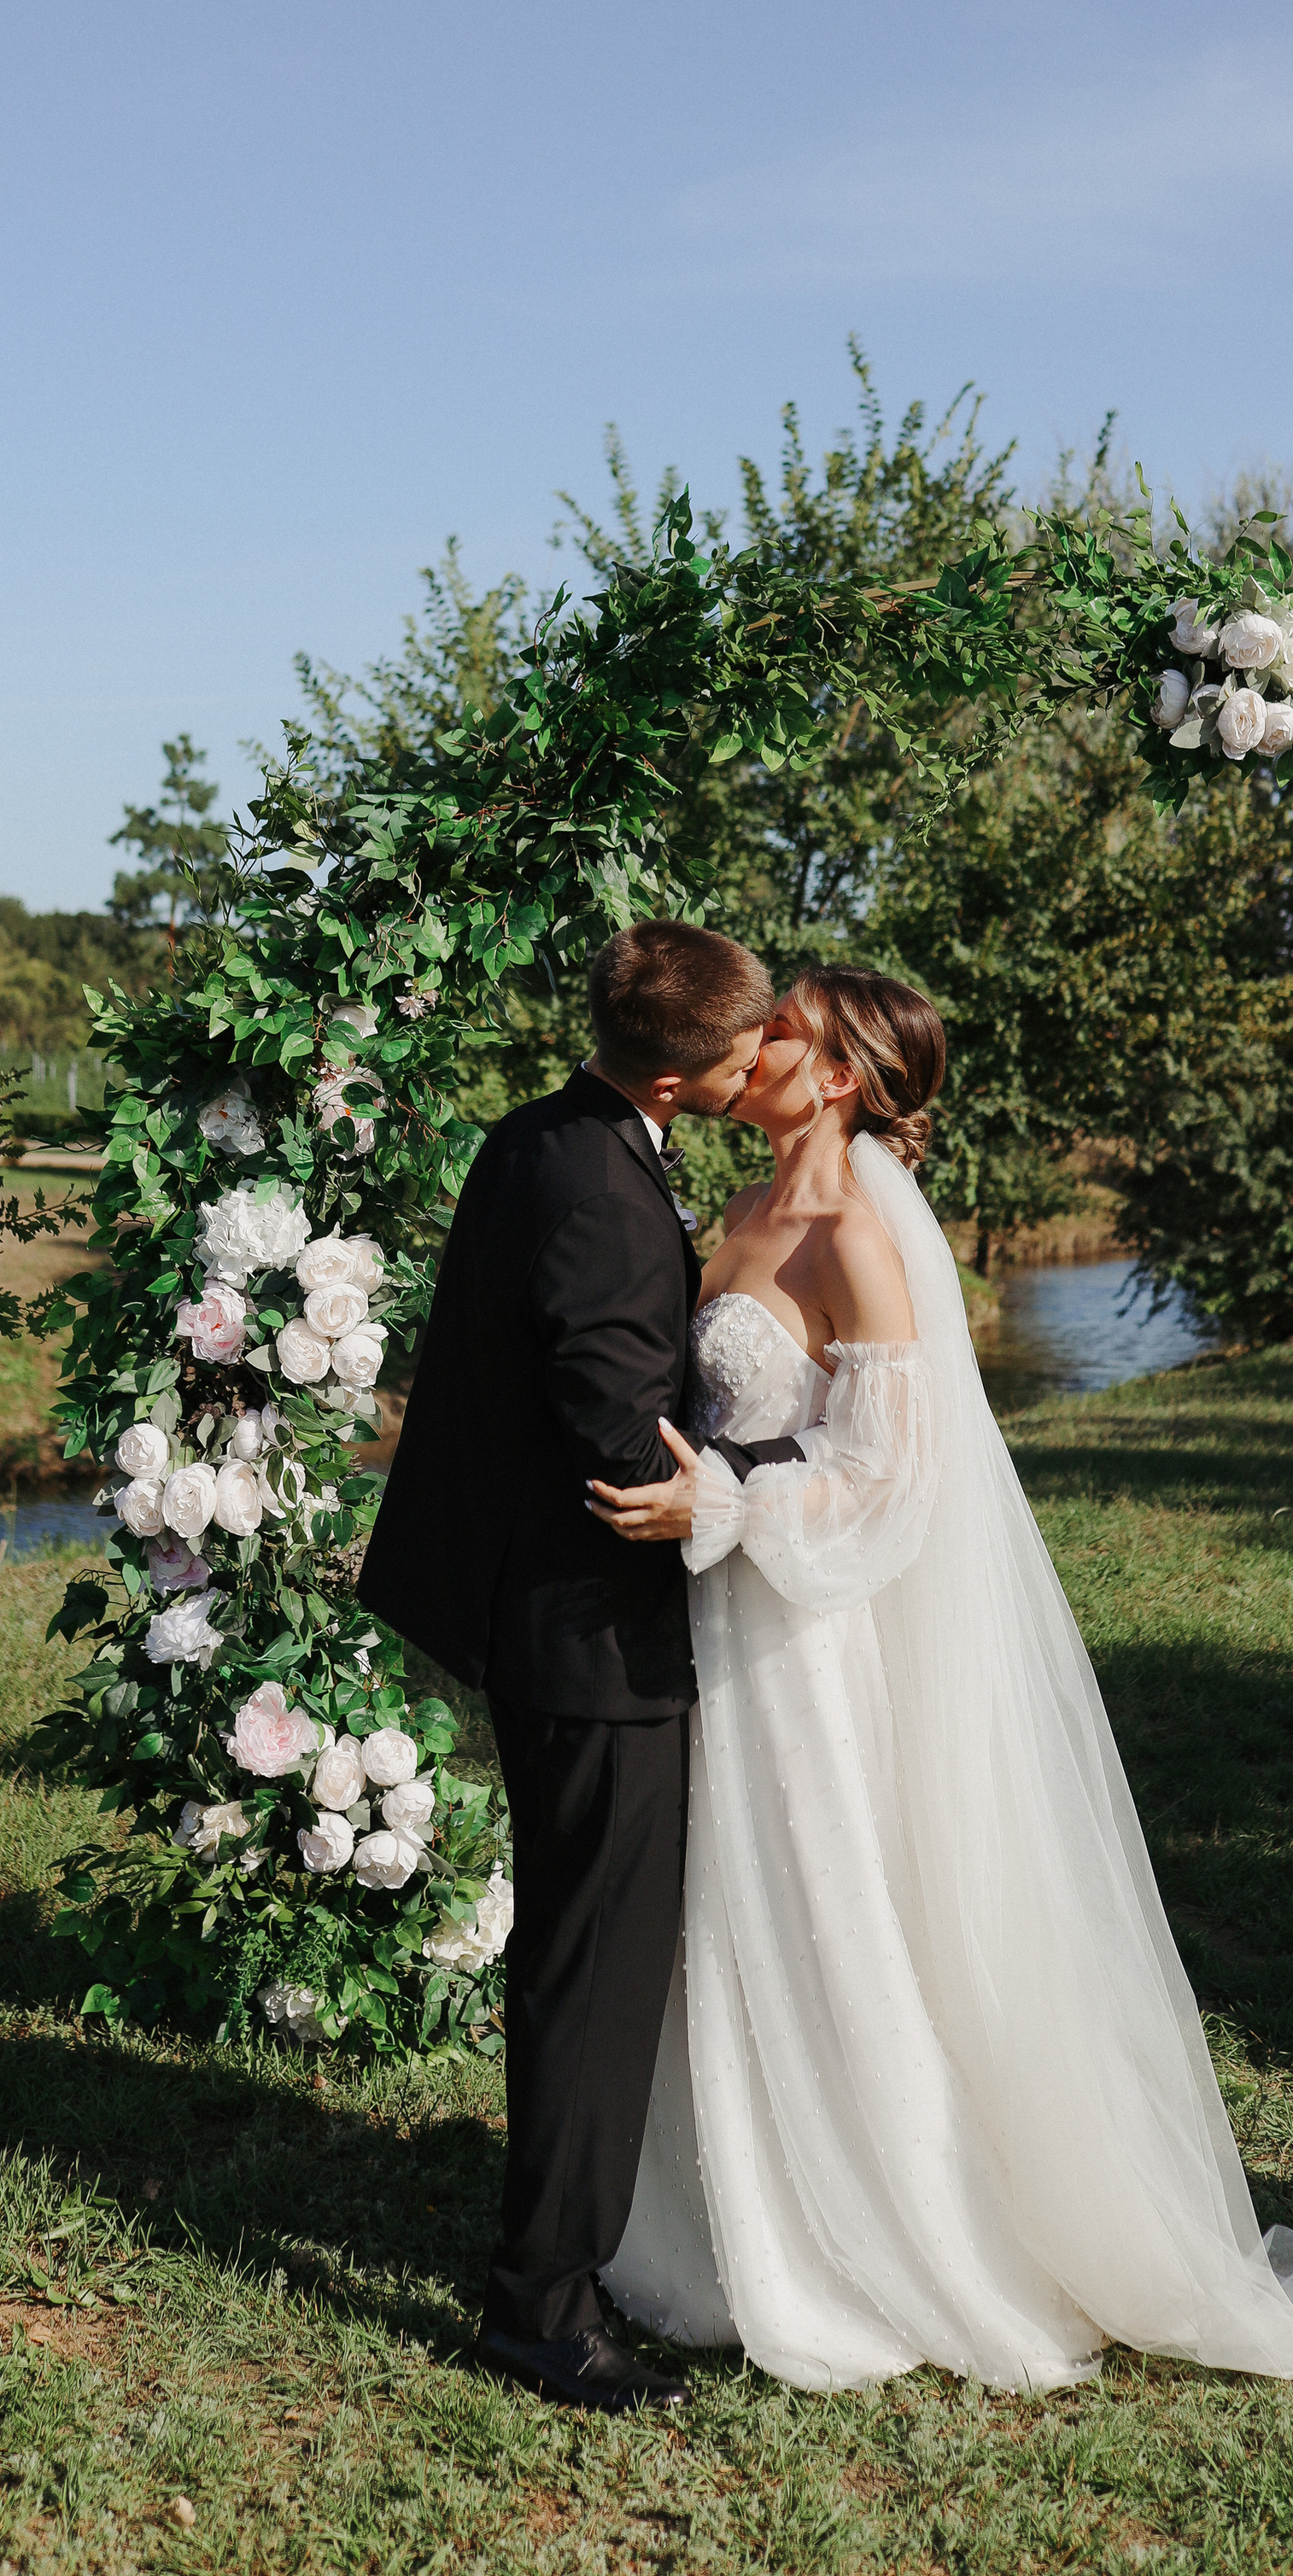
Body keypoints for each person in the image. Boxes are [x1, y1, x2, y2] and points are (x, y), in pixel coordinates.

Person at [588, 966, 1293, 2390]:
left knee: (832, 1912)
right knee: (728, 1907)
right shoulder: (743, 1205)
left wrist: (721, 1511)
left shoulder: (854, 1234)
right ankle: (739, 2214)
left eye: (784, 1031)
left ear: (836, 1077)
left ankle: (894, 2237)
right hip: (715, 1625)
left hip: (803, 1637)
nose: (753, 1041)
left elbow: (895, 1479)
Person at [359, 919, 816, 2414]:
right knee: (594, 1981)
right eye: (749, 1043)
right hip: (593, 1645)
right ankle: (543, 2312)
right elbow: (630, 1454)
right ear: (692, 1074)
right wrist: (807, 1457)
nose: (764, 1060)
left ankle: (559, 2268)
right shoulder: (613, 1205)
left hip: (528, 1615)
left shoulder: (536, 1137)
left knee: (578, 1964)